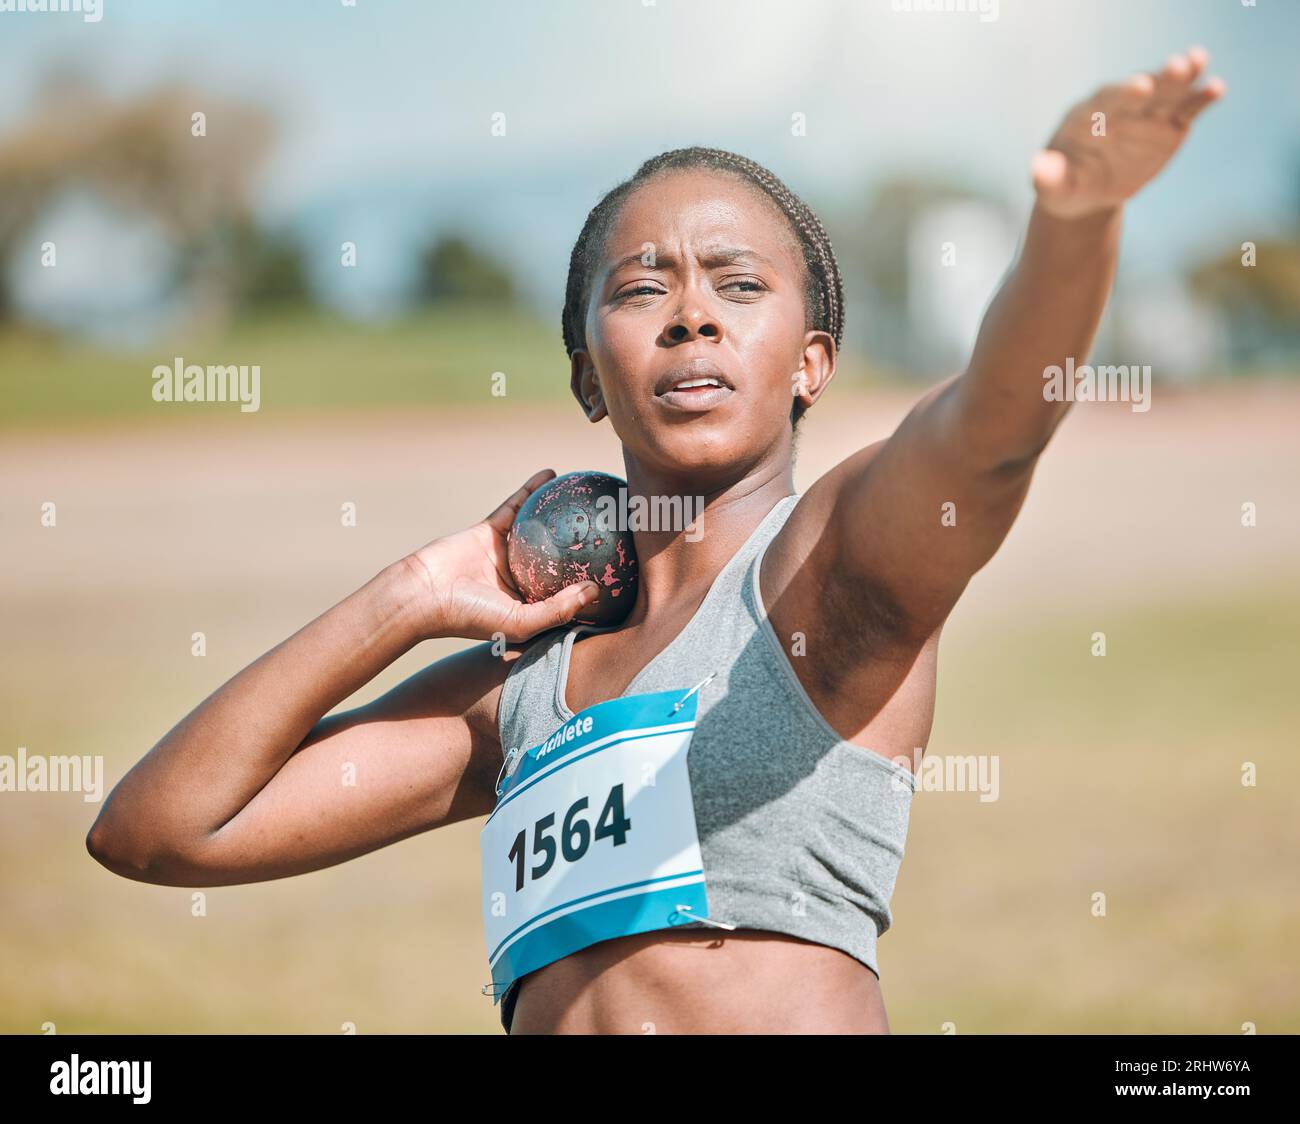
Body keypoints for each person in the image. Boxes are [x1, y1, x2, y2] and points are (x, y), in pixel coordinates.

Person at [87, 48, 1224, 1034]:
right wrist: (411, 593)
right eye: (641, 288)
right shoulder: (519, 693)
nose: (692, 313)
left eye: (738, 284)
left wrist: (1073, 226)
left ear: (809, 363)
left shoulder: (827, 571)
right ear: (589, 373)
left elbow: (990, 431)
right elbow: (159, 831)